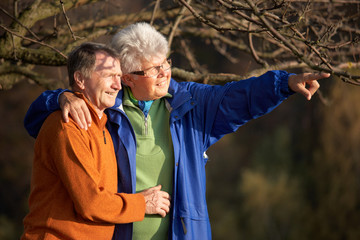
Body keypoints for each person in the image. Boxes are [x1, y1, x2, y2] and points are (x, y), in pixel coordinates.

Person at [24, 22, 330, 240]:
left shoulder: (190, 104)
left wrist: (283, 84)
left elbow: (238, 97)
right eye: (153, 68)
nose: (165, 73)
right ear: (128, 78)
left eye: (166, 62)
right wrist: (59, 97)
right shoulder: (103, 110)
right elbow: (40, 122)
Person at [21, 42, 170, 240]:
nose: (118, 85)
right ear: (80, 79)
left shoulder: (104, 127)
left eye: (119, 77)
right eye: (109, 76)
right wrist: (142, 204)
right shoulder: (67, 125)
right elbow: (90, 203)